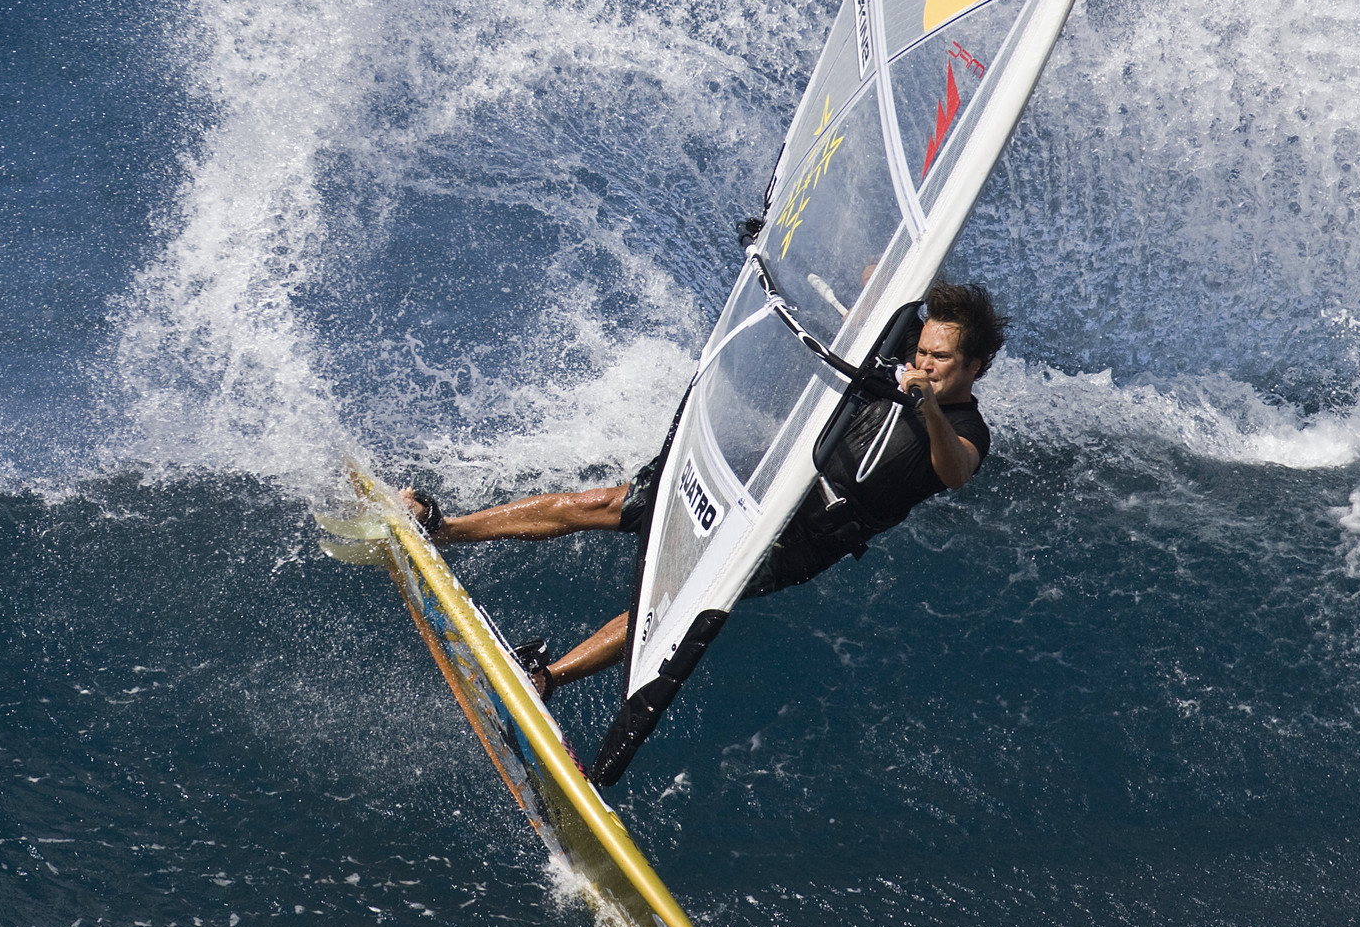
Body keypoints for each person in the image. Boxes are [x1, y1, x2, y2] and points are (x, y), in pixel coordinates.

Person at [398, 279, 1007, 700]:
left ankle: (546, 678)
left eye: (942, 359)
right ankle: (445, 530)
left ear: (975, 367)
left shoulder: (964, 428)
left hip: (808, 533)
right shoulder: (909, 349)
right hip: (769, 474)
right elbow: (878, 291)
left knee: (680, 596)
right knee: (612, 501)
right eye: (923, 351)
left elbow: (954, 470)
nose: (925, 363)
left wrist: (924, 404)